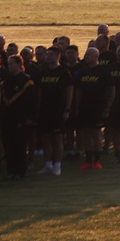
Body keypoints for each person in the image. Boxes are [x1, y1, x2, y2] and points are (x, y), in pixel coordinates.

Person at [36, 47, 73, 176]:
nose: (48, 57)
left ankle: (57, 165)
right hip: (44, 110)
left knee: (57, 139)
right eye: (47, 54)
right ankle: (47, 165)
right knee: (45, 139)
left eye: (51, 54)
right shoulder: (43, 72)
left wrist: (67, 109)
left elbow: (69, 92)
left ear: (58, 56)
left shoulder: (64, 72)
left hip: (58, 110)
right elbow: (39, 92)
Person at [76, 47, 114, 169]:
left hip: (98, 107)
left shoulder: (103, 72)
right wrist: (77, 105)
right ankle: (88, 159)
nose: (86, 57)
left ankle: (97, 159)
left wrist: (107, 107)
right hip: (84, 107)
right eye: (86, 54)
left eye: (89, 55)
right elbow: (79, 90)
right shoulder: (83, 72)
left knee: (96, 133)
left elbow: (111, 91)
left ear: (96, 56)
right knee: (86, 133)